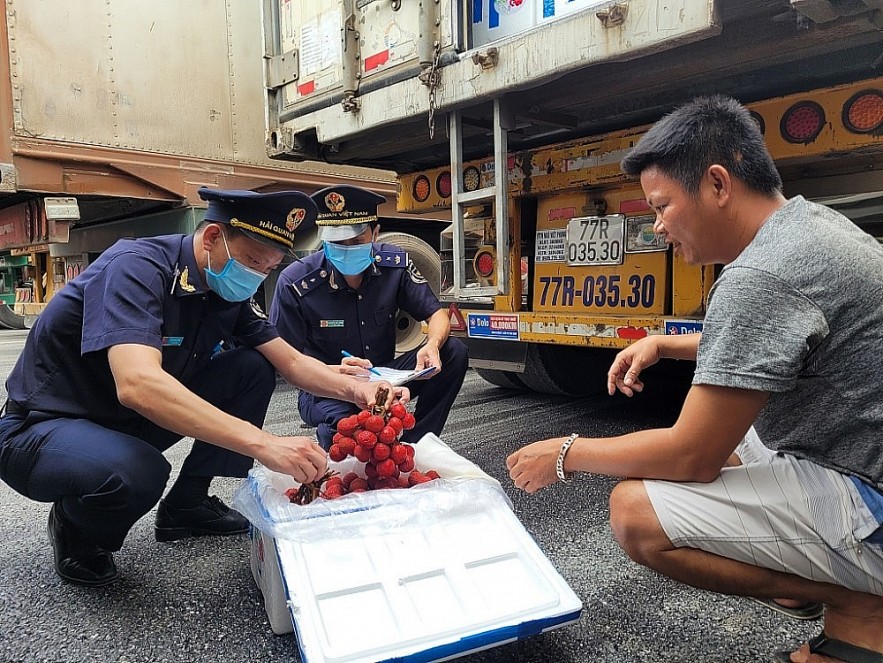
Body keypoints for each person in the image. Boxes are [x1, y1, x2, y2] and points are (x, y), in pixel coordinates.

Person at [506, 96, 883, 662]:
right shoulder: (806, 226)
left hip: (869, 496)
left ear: (717, 184)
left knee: (635, 512)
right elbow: (770, 341)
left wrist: (565, 454)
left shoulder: (762, 274)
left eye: (662, 207)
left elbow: (691, 456)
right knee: (733, 438)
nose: (658, 227)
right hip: (860, 454)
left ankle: (858, 601)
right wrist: (664, 343)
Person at [0, 187, 401, 588]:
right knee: (137, 472)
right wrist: (264, 444)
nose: (257, 276)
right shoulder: (136, 269)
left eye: (269, 268)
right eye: (253, 262)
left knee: (251, 368)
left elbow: (291, 362)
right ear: (212, 237)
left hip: (125, 421)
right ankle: (76, 528)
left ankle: (188, 504)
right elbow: (138, 384)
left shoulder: (223, 289)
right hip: (45, 426)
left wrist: (359, 391)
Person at [269, 184, 468, 449]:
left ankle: (416, 445)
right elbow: (284, 360)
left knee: (453, 351)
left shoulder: (393, 265)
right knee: (352, 432)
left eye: (355, 241)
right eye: (337, 243)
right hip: (326, 386)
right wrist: (337, 372)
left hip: (382, 374)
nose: (346, 249)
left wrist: (431, 345)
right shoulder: (296, 283)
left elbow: (437, 315)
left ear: (375, 233)